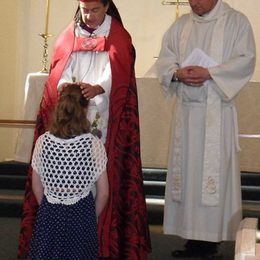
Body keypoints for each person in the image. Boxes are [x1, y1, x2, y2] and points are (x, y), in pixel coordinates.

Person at [18, 0, 151, 259]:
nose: (88, 16)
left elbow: (121, 73)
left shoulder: (119, 37)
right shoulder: (70, 35)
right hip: (71, 117)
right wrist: (71, 88)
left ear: (106, 7)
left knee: (102, 179)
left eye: (95, 10)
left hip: (104, 117)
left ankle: (96, 234)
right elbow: (58, 73)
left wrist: (100, 87)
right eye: (84, 10)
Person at [154, 0, 256, 258]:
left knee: (212, 176)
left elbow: (246, 60)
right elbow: (165, 60)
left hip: (216, 116)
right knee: (187, 175)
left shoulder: (236, 22)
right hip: (186, 116)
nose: (194, 3)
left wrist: (210, 73)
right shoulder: (181, 25)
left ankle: (211, 242)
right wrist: (178, 74)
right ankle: (191, 238)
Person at [28, 85, 108, 259]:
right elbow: (103, 193)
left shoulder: (43, 141)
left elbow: (36, 185)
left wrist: (48, 207)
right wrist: (90, 217)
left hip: (50, 211)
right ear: (85, 109)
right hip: (82, 213)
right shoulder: (94, 144)